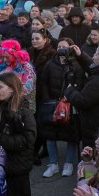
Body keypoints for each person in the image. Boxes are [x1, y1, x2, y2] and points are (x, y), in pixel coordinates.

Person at [38, 38, 85, 178]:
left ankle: (68, 163)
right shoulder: (50, 63)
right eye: (59, 46)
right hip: (52, 103)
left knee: (71, 135)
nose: (62, 49)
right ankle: (53, 164)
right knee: (50, 134)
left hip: (69, 104)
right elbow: (43, 82)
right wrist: (48, 100)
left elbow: (80, 83)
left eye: (64, 46)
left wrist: (69, 98)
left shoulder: (76, 64)